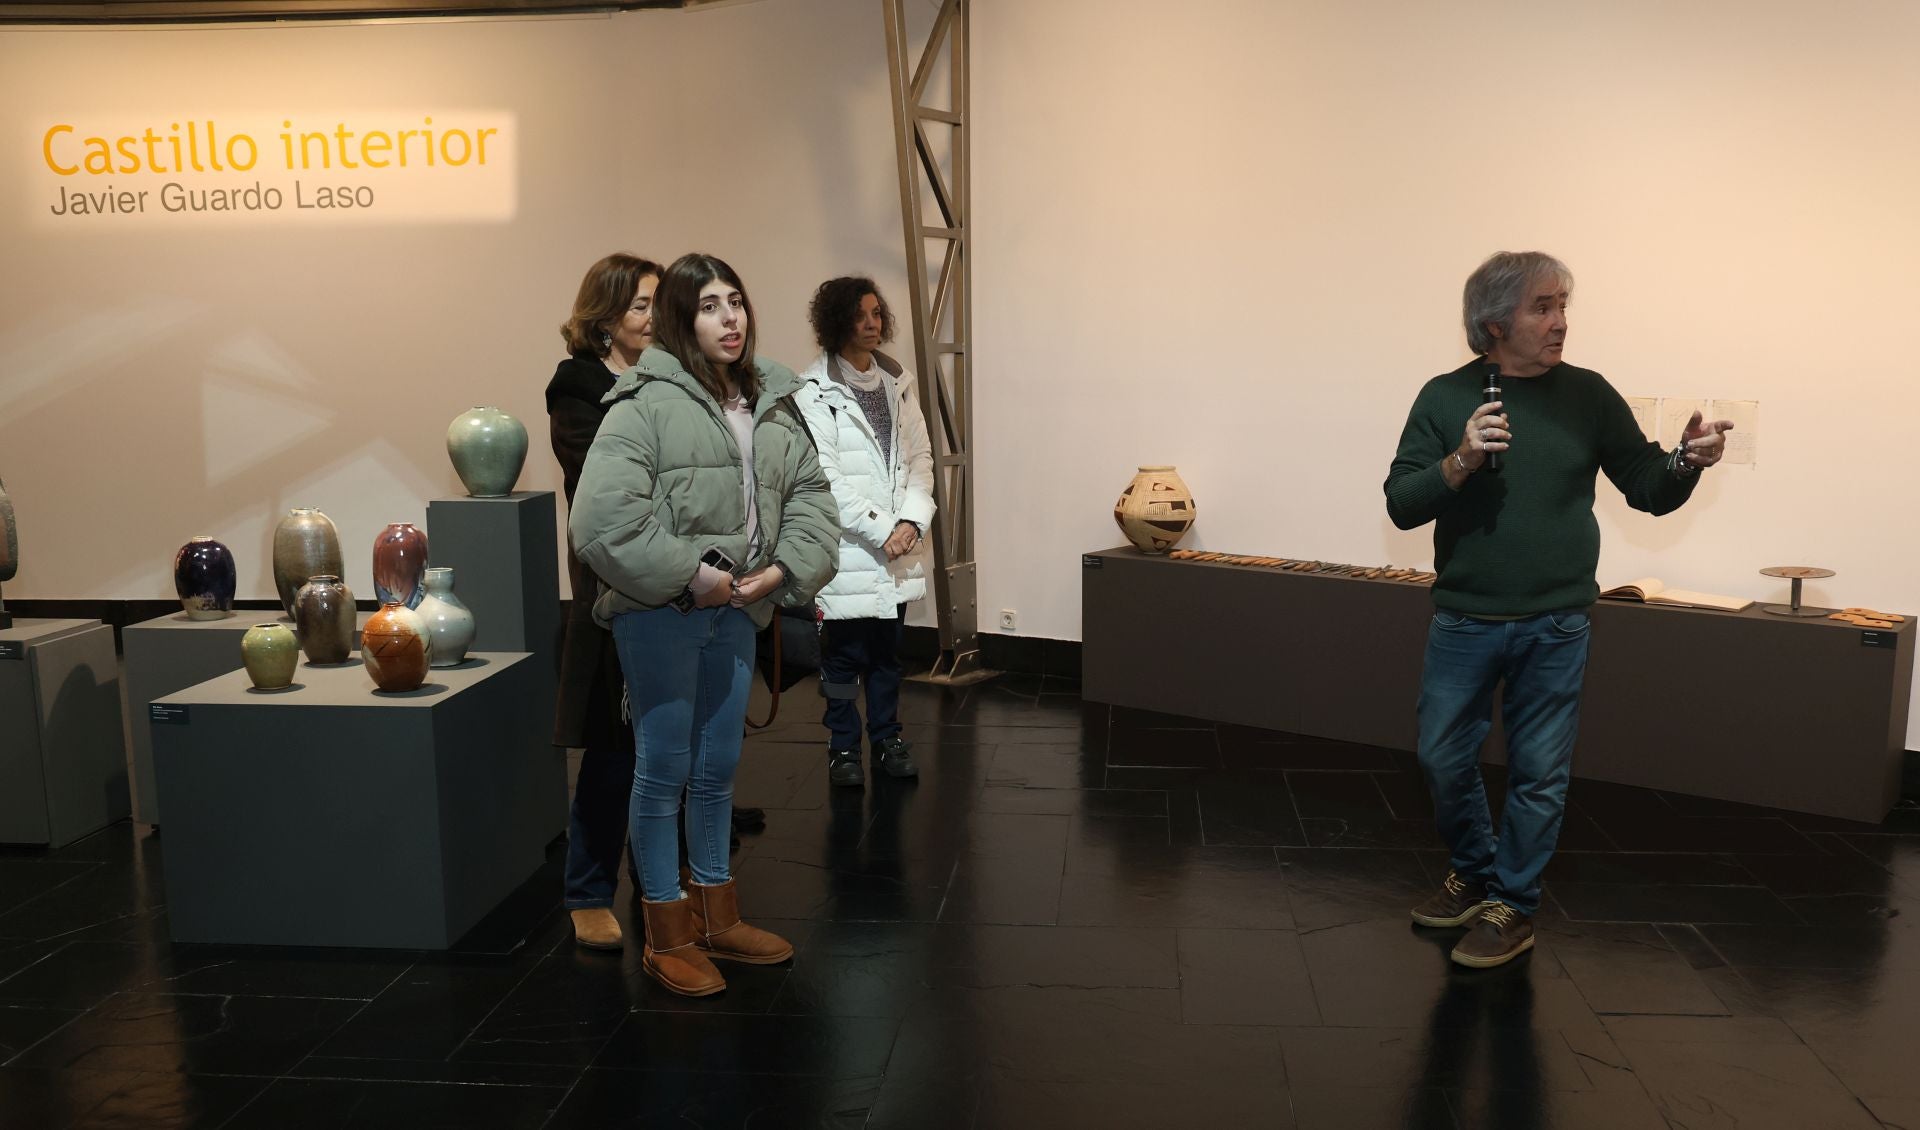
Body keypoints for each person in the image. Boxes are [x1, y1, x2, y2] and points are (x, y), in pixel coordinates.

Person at [1383, 251, 1733, 969]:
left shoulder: (1589, 395)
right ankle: (1476, 870)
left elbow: (1648, 487)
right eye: (1542, 308)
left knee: (1539, 772)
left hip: (1558, 622)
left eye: (1563, 305)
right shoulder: (1446, 398)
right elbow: (1401, 501)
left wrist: (1686, 462)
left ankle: (1513, 903)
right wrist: (1461, 462)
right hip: (1464, 620)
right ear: (1493, 323)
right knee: (1443, 758)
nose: (1560, 322)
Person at [570, 252, 839, 996]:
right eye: (711, 306)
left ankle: (717, 915)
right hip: (664, 614)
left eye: (738, 302)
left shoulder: (771, 398)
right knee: (663, 773)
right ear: (682, 321)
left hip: (742, 609)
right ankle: (666, 930)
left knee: (717, 772)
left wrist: (780, 571)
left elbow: (812, 495)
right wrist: (695, 576)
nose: (732, 318)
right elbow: (599, 521)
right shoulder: (644, 402)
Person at [546, 254, 769, 952]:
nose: (653, 315)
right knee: (620, 753)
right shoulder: (583, 389)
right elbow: (612, 501)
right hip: (626, 591)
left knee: (690, 752)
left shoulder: (699, 386)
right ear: (606, 318)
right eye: (641, 305)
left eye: (658, 303)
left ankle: (674, 892)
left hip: (699, 592)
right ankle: (588, 890)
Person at [793, 277, 936, 788]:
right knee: (841, 660)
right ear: (836, 322)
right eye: (860, 315)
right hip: (849, 550)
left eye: (877, 313)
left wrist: (912, 521)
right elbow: (824, 479)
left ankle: (887, 738)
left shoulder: (898, 380)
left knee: (886, 656)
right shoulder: (812, 391)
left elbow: (922, 460)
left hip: (897, 548)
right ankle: (843, 749)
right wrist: (883, 530)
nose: (872, 323)